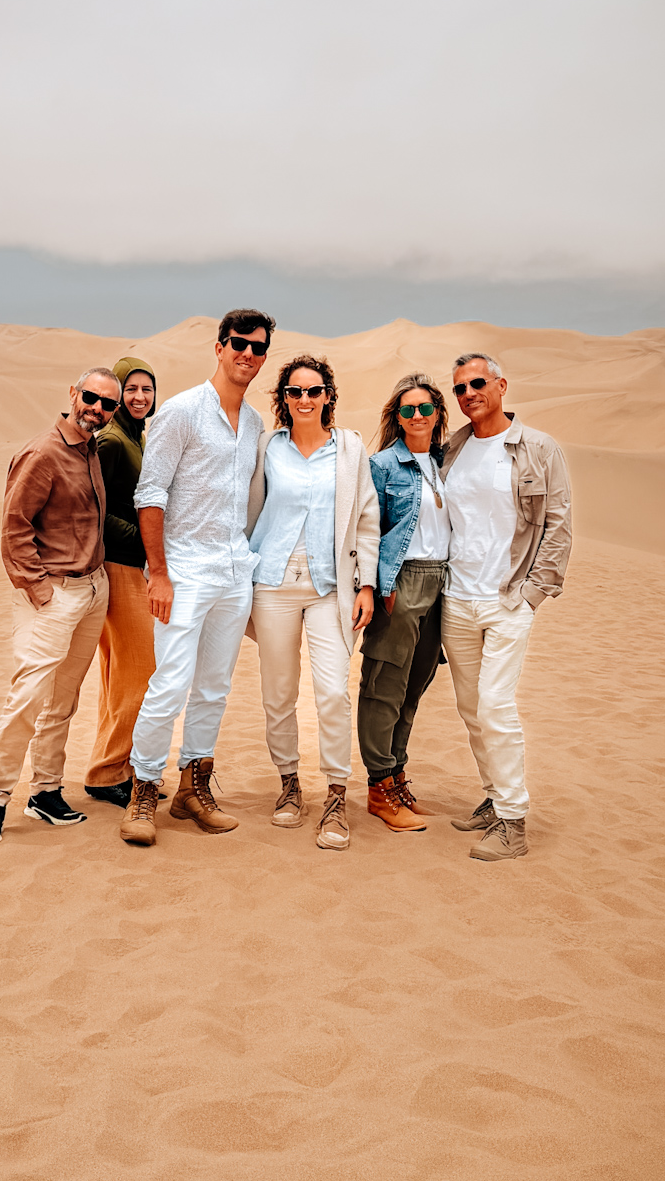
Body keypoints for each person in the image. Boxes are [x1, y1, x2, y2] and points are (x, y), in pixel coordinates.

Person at [120, 310, 274, 847]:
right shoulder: (181, 411)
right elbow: (150, 493)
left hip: (233, 574)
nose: (247, 354)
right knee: (169, 684)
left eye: (257, 347)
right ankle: (143, 790)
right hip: (183, 572)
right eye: (238, 343)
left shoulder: (253, 422)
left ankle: (193, 788)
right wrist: (159, 574)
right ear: (219, 347)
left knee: (213, 688)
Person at [0, 367, 122, 846]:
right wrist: (40, 592)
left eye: (108, 403)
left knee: (64, 698)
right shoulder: (42, 453)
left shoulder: (92, 449)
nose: (97, 408)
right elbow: (14, 529)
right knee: (28, 696)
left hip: (93, 590)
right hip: (53, 593)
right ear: (73, 394)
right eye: (91, 397)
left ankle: (46, 792)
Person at [440, 351, 572, 861]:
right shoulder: (454, 448)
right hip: (457, 599)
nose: (468, 393)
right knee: (472, 709)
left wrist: (534, 593)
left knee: (495, 705)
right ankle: (495, 797)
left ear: (501, 386)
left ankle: (513, 821)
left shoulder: (537, 447)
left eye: (478, 383)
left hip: (507, 599)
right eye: (459, 388)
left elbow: (558, 523)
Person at [246, 356, 379, 850]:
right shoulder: (267, 447)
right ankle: (288, 784)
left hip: (331, 587)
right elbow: (246, 508)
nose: (305, 399)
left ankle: (336, 794)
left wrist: (366, 585)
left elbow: (367, 518)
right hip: (272, 584)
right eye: (295, 391)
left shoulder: (350, 448)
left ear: (328, 397)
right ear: (283, 398)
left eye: (314, 390)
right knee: (278, 693)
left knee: (332, 692)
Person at [357, 373, 452, 833]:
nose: (417, 416)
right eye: (408, 409)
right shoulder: (382, 465)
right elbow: (366, 532)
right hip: (401, 580)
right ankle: (379, 787)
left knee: (415, 686)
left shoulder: (445, 463)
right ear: (397, 417)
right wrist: (374, 586)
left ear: (438, 414)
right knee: (384, 685)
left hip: (441, 584)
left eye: (425, 408)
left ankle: (396, 777)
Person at [83, 356, 161, 810]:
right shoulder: (112, 440)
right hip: (120, 567)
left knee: (120, 677)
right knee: (139, 673)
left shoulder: (136, 437)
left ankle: (114, 768)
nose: (139, 397)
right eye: (130, 388)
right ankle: (108, 771)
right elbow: (95, 510)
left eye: (147, 389)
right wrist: (145, 539)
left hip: (131, 566)